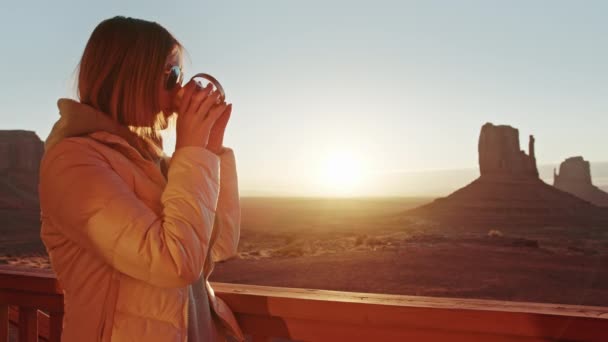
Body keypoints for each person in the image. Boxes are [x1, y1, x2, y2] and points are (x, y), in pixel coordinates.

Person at [38, 16, 244, 342]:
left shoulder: (151, 163)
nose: (180, 88)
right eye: (172, 75)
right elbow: (174, 263)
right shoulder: (74, 163)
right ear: (132, 75)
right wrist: (191, 149)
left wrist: (211, 147)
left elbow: (220, 244)